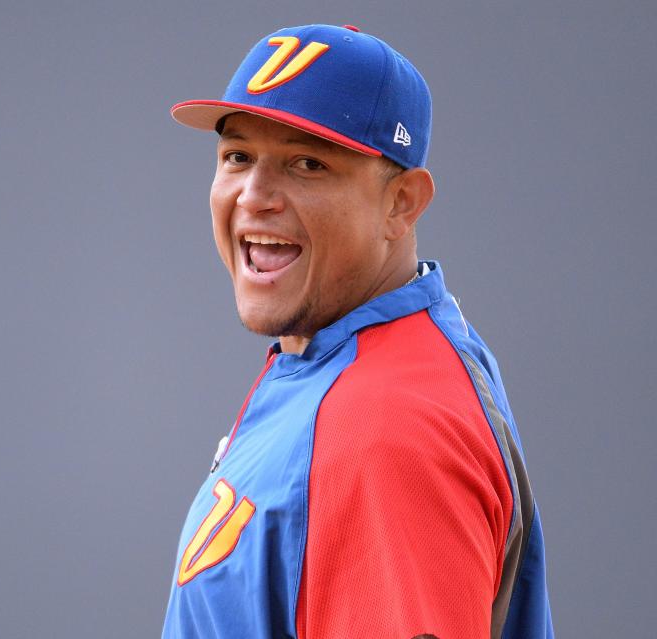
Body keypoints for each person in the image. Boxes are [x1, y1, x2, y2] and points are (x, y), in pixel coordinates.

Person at [161, 24, 553, 639]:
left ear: (402, 203)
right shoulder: (347, 359)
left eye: (307, 163)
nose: (254, 196)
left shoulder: (384, 429)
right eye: (238, 156)